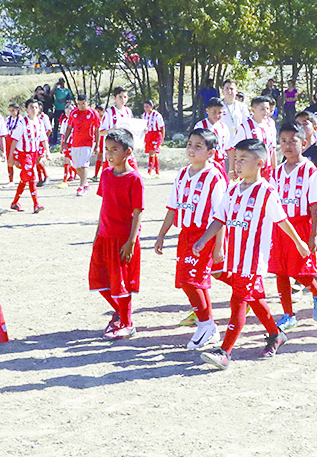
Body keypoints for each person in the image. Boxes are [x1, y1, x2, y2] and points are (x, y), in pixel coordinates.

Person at [192, 138, 311, 370]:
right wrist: (204, 239)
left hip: (253, 260)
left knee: (237, 301)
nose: (237, 164)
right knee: (255, 299)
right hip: (235, 258)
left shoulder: (267, 192)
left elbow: (282, 221)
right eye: (236, 159)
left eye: (243, 160)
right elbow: (220, 218)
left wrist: (300, 243)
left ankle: (224, 352)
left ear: (260, 163)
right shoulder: (233, 189)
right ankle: (276, 335)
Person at [153, 128, 226, 348]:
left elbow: (221, 215)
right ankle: (208, 325)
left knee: (190, 281)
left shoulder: (214, 177)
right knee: (193, 281)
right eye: (189, 144)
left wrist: (218, 247)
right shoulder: (183, 174)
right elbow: (173, 207)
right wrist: (161, 234)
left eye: (198, 146)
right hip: (185, 235)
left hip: (205, 236)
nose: (191, 150)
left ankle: (205, 325)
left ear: (211, 152)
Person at [270, 122, 317, 330]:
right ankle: (288, 314)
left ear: (303, 143)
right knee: (280, 271)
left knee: (300, 270)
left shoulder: (310, 170)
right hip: (280, 228)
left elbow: (315, 206)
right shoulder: (276, 172)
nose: (287, 145)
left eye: (293, 141)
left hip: (302, 225)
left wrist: (315, 234)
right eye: (283, 141)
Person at [90, 128, 144, 340]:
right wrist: (96, 235)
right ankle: (121, 313)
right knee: (99, 280)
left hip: (122, 239)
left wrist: (131, 241)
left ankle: (127, 324)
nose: (109, 154)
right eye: (106, 149)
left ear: (128, 152)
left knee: (121, 283)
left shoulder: (134, 179)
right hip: (104, 236)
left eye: (114, 150)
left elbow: (138, 212)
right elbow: (104, 206)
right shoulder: (105, 174)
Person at [7, 99, 50, 213]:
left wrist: (47, 152)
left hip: (34, 153)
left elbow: (44, 138)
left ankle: (15, 202)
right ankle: (36, 204)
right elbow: (15, 140)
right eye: (31, 107)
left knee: (25, 178)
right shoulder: (22, 123)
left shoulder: (40, 122)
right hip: (24, 154)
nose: (34, 109)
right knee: (32, 177)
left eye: (36, 107)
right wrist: (11, 157)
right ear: (26, 109)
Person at [227, 95, 277, 180]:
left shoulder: (270, 124)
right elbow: (233, 149)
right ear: (253, 110)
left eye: (267, 109)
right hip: (251, 171)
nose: (266, 112)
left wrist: (275, 170)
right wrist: (232, 169)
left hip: (267, 171)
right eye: (262, 109)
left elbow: (273, 148)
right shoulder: (245, 127)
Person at [64, 94, 100, 195]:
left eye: (83, 104)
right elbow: (69, 127)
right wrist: (65, 141)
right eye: (79, 104)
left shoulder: (93, 113)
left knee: (84, 164)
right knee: (77, 165)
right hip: (75, 142)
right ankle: (86, 183)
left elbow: (97, 130)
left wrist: (97, 145)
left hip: (87, 142)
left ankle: (81, 186)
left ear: (87, 103)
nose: (81, 106)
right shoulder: (74, 112)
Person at [98, 87, 134, 177]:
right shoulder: (109, 112)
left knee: (132, 173)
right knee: (109, 177)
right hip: (112, 150)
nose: (123, 99)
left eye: (125, 97)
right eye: (120, 97)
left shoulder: (128, 112)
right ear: (114, 98)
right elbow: (101, 132)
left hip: (125, 148)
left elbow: (132, 128)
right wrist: (110, 130)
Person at [194, 97, 230, 177]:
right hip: (205, 162)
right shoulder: (200, 126)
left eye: (220, 113)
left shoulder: (224, 127)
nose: (217, 115)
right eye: (214, 112)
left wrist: (232, 168)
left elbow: (228, 148)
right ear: (207, 111)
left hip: (220, 162)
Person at [142, 100, 165, 177]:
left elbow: (162, 127)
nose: (146, 108)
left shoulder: (157, 115)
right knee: (153, 154)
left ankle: (149, 172)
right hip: (148, 135)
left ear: (151, 106)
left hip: (156, 134)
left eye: (147, 106)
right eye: (144, 107)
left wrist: (162, 138)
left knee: (152, 152)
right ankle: (157, 172)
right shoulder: (144, 115)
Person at [52, 78, 73, 142]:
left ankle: (65, 139)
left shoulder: (67, 90)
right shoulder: (57, 90)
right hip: (57, 109)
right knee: (56, 124)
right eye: (60, 82)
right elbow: (51, 94)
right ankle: (54, 139)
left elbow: (71, 99)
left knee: (65, 124)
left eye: (62, 82)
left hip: (65, 110)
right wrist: (55, 86)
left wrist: (64, 101)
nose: (61, 84)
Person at [5, 103, 21, 185]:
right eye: (10, 111)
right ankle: (11, 180)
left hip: (17, 142)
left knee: (19, 162)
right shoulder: (8, 119)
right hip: (8, 140)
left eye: (13, 110)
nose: (11, 112)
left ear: (17, 110)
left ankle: (25, 177)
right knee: (9, 161)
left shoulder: (21, 119)